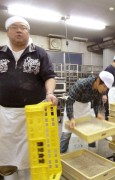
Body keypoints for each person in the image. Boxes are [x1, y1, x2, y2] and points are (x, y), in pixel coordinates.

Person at [0, 16, 57, 180]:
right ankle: (10, 176)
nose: (19, 30)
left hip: (34, 112)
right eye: (15, 27)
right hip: (4, 113)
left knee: (36, 149)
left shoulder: (39, 53)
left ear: (28, 31)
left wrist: (50, 93)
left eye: (23, 27)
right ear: (8, 31)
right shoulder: (0, 52)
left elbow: (49, 76)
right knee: (6, 150)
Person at [60, 71, 114, 153]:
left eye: (106, 88)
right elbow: (70, 101)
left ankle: (91, 152)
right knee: (67, 133)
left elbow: (96, 103)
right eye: (104, 86)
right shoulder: (81, 84)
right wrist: (71, 118)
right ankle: (62, 154)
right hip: (73, 107)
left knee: (90, 132)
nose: (104, 90)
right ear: (98, 81)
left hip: (85, 108)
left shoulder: (100, 90)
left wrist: (97, 114)